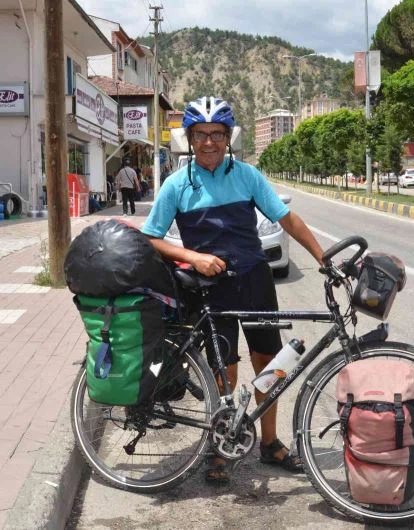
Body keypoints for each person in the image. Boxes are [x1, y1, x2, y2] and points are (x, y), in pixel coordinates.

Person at [141, 96, 325, 484]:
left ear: (229, 137)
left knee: (270, 364)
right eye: (202, 134)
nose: (210, 142)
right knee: (223, 368)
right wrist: (193, 256)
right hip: (211, 288)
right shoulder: (178, 184)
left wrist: (322, 257)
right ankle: (222, 445)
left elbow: (286, 218)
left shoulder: (247, 175)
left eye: (218, 134)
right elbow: (151, 238)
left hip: (255, 279)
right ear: (189, 138)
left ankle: (270, 442)